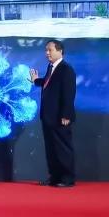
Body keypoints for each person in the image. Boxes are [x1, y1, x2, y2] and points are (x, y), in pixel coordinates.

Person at [29, 39, 76, 187]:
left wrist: (66, 114)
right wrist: (36, 81)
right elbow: (48, 83)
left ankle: (67, 178)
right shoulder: (51, 67)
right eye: (46, 50)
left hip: (60, 117)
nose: (47, 53)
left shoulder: (66, 69)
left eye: (50, 50)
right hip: (48, 116)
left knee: (62, 148)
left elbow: (69, 94)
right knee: (51, 148)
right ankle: (55, 177)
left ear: (60, 51)